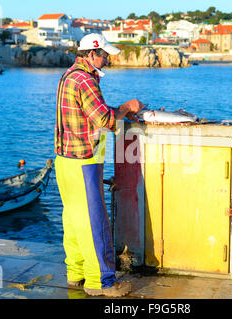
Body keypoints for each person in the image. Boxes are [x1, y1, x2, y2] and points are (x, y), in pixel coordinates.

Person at [54, 33, 144, 297]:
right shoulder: (86, 80)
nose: (107, 60)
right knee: (94, 221)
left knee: (72, 219)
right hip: (85, 161)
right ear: (91, 54)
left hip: (65, 159)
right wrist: (128, 106)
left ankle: (76, 273)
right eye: (104, 55)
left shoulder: (69, 76)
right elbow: (105, 120)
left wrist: (120, 110)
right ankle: (101, 283)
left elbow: (90, 113)